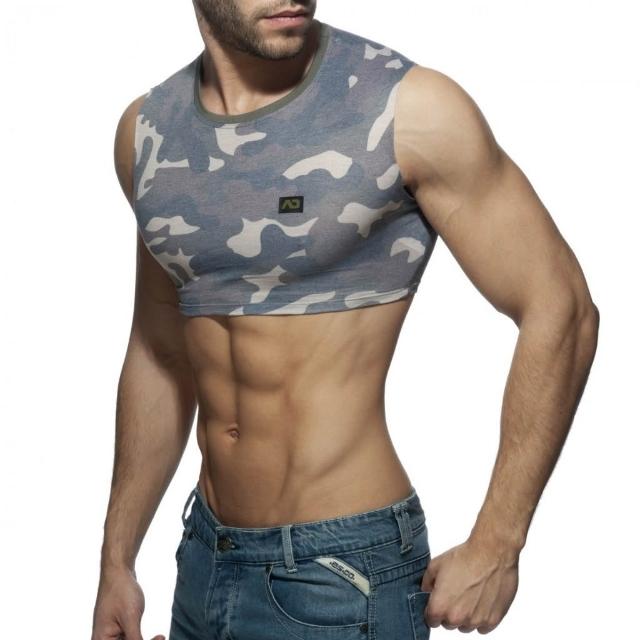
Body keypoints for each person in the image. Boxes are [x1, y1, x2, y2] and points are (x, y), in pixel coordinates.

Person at [91, 1, 600, 639]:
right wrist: (117, 559)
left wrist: (498, 542)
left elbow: (562, 307)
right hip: (204, 559)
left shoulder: (407, 108)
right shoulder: (148, 132)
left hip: (340, 572)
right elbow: (160, 349)